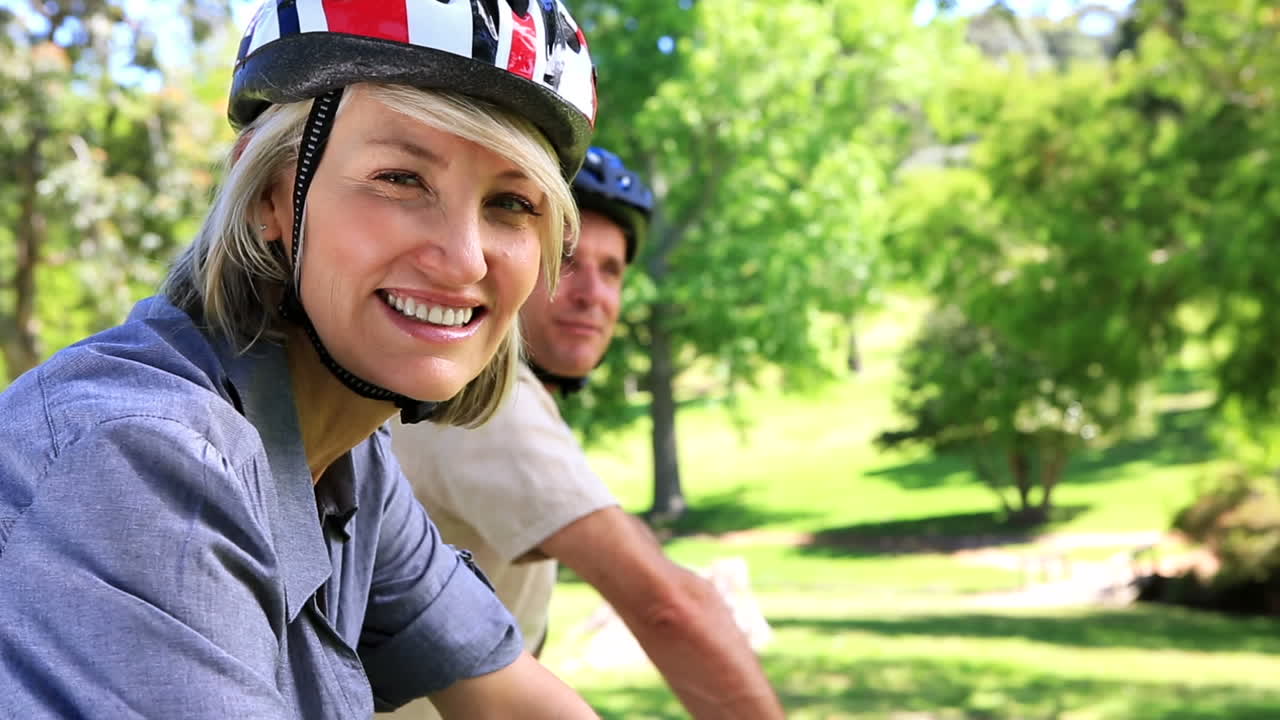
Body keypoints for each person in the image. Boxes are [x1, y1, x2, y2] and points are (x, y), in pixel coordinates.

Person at [0, 1, 605, 718]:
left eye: (510, 202)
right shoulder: (143, 464)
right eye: (401, 179)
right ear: (268, 196)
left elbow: (512, 702)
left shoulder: (347, 466)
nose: (464, 258)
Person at [388, 148, 786, 719]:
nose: (591, 294)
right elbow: (667, 607)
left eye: (612, 270)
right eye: (567, 259)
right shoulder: (482, 396)